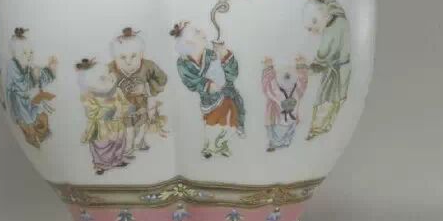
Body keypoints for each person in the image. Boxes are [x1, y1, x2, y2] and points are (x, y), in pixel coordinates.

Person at [171, 22, 245, 158]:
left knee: (230, 123)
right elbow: (190, 82)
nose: (203, 33)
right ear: (188, 42)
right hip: (209, 100)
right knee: (213, 124)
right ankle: (210, 147)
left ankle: (222, 144)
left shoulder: (212, 54)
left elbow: (231, 76)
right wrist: (208, 85)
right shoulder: (183, 63)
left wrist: (224, 54)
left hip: (228, 95)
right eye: (197, 32)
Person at [109, 27, 168, 156]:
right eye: (122, 57)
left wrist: (147, 89)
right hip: (124, 106)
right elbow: (102, 86)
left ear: (141, 54)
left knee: (142, 122)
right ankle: (128, 145)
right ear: (115, 58)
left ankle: (140, 141)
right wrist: (115, 93)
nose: (128, 61)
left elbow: (162, 79)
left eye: (133, 56)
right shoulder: (111, 69)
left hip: (142, 104)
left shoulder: (148, 66)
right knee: (128, 126)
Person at [303, 0, 351, 139]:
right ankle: (324, 127)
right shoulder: (340, 17)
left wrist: (304, 71)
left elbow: (321, 60)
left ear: (320, 17)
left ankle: (317, 130)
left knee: (326, 102)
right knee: (338, 101)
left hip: (334, 74)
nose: (314, 32)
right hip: (345, 69)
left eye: (313, 27)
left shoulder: (329, 35)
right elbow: (335, 6)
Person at [5, 28, 57, 149]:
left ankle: (40, 135)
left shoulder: (28, 65)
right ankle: (31, 137)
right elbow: (22, 85)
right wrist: (34, 76)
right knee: (28, 120)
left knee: (38, 113)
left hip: (27, 100)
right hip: (18, 102)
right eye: (25, 53)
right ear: (15, 54)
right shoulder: (12, 65)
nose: (29, 56)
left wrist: (50, 69)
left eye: (31, 53)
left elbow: (40, 77)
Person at [76, 58, 129, 175]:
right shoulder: (89, 96)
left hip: (117, 123)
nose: (109, 78)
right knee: (103, 144)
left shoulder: (116, 91)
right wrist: (106, 112)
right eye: (103, 78)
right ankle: (101, 164)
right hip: (102, 125)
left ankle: (117, 160)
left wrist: (120, 110)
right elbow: (90, 112)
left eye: (109, 74)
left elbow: (124, 103)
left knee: (119, 141)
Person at [261, 56, 309, 150]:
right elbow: (303, 82)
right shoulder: (297, 90)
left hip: (280, 122)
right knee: (287, 132)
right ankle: (284, 143)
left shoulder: (277, 92)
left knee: (277, 134)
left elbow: (267, 86)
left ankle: (276, 144)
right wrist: (301, 66)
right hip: (291, 121)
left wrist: (268, 68)